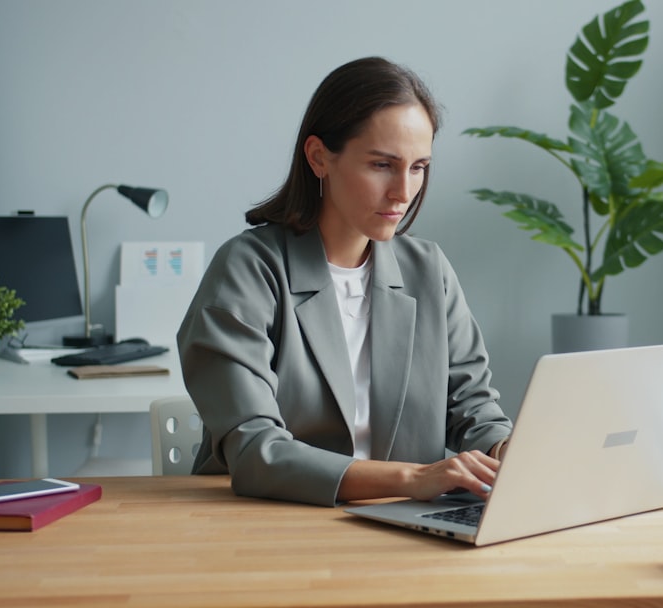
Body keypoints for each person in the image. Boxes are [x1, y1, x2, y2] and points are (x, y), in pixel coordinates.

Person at [177, 57, 513, 507]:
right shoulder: (247, 270)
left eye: (418, 167)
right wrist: (414, 478)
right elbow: (256, 452)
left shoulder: (429, 269)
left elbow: (474, 410)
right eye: (382, 165)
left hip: (399, 528)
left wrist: (509, 453)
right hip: (268, 526)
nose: (403, 191)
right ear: (319, 157)